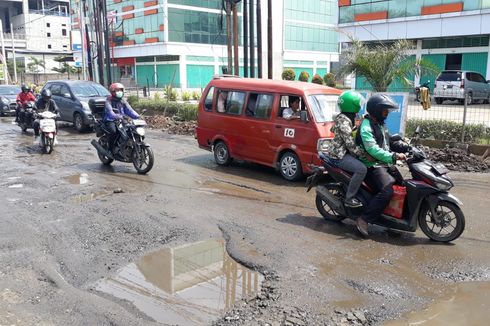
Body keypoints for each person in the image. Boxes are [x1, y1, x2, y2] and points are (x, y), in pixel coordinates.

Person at [354, 94, 409, 236]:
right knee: (387, 191)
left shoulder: (379, 124)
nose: (387, 114)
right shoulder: (366, 126)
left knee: (404, 185)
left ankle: (395, 218)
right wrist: (393, 156)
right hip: (372, 165)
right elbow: (372, 149)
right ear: (376, 110)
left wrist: (407, 148)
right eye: (385, 111)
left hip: (384, 162)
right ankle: (364, 219)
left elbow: (387, 142)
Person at [321, 90, 367, 208]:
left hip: (343, 152)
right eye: (357, 103)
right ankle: (349, 198)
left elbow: (354, 130)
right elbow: (351, 145)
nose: (359, 106)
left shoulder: (348, 117)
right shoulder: (343, 121)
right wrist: (365, 154)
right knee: (361, 169)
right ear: (352, 104)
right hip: (338, 156)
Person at [103, 83, 140, 158]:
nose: (119, 92)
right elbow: (110, 112)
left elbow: (130, 110)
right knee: (114, 132)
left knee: (131, 130)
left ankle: (127, 146)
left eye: (121, 90)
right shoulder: (108, 101)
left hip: (121, 119)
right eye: (117, 90)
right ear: (112, 91)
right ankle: (110, 150)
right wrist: (117, 116)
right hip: (110, 120)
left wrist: (138, 116)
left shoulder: (122, 101)